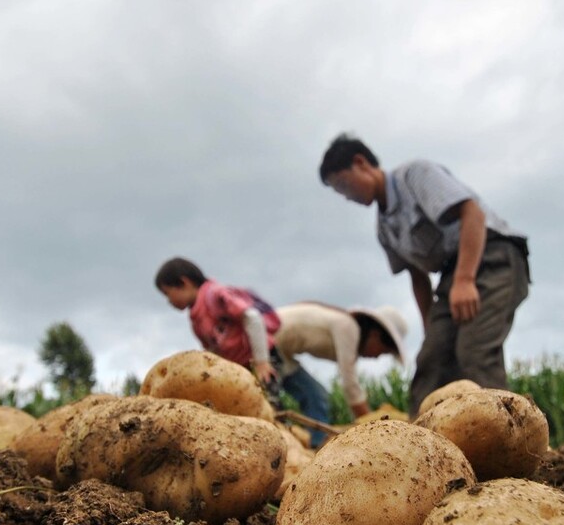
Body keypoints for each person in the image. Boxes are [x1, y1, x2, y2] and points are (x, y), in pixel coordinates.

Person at [317, 133, 530, 416]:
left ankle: (505, 440)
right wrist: (432, 329)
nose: (347, 196)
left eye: (344, 184)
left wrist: (465, 280)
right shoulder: (384, 228)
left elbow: (473, 214)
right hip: (451, 275)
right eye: (340, 193)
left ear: (361, 163)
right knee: (431, 359)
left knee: (474, 351)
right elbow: (418, 278)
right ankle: (419, 446)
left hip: (493, 256)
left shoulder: (414, 175)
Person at [273, 302, 409, 446]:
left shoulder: (346, 325)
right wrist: (372, 426)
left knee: (316, 396)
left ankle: (313, 447)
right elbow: (350, 385)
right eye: (383, 351)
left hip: (282, 354)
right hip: (267, 344)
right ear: (375, 335)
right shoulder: (348, 327)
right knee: (306, 399)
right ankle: (316, 449)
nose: (377, 356)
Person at [153, 257, 277, 386]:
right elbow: (213, 353)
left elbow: (253, 318)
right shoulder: (196, 321)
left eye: (167, 293)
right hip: (242, 368)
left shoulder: (215, 295)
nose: (169, 301)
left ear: (184, 283)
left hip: (263, 356)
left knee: (288, 388)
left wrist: (262, 361)